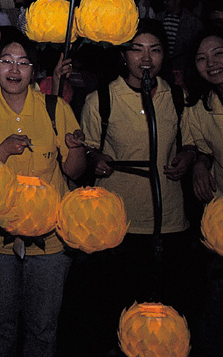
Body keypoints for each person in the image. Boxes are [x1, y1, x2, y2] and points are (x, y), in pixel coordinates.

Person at [79, 20, 196, 351]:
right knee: (118, 317)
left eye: (155, 50)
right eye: (137, 49)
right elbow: (87, 148)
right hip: (118, 226)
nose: (146, 58)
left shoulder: (177, 97)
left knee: (163, 319)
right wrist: (94, 157)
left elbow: (190, 142)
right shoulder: (100, 99)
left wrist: (188, 156)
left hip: (169, 223)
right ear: (123, 54)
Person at [0, 32, 87, 357]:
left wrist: (76, 148)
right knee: (0, 325)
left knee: (43, 328)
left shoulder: (56, 108)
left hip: (50, 242)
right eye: (6, 61)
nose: (14, 69)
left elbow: (75, 172)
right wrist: (2, 151)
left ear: (34, 71)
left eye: (23, 62)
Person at [184, 28, 223, 356]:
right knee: (218, 306)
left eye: (218, 53)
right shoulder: (199, 107)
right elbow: (201, 148)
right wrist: (199, 165)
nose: (211, 63)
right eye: (202, 59)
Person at [157, 0, 203, 85]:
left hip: (183, 66)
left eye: (168, 0)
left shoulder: (191, 20)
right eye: (164, 0)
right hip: (164, 66)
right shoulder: (160, 18)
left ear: (177, 0)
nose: (165, 2)